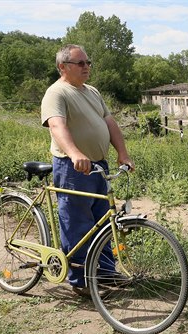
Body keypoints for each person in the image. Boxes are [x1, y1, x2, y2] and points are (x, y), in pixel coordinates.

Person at [41, 44, 135, 296]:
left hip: (98, 165)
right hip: (72, 167)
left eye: (88, 62)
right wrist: (75, 154)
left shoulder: (92, 91)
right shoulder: (56, 93)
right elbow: (57, 126)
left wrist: (122, 153)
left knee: (103, 222)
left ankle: (104, 273)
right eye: (80, 63)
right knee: (78, 222)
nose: (86, 67)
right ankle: (81, 281)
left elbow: (110, 123)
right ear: (63, 67)